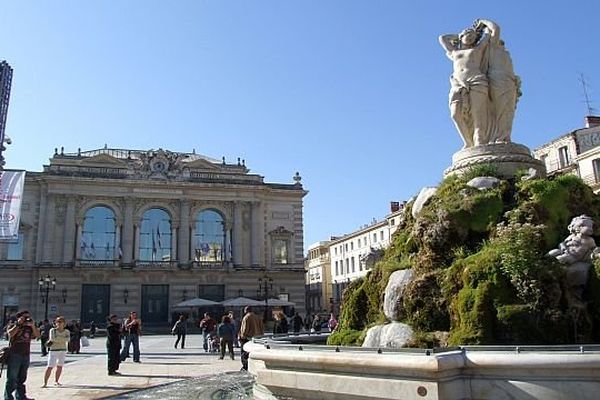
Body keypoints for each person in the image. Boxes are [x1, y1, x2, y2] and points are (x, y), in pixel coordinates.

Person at [439, 24, 491, 148]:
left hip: (476, 80)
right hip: (458, 84)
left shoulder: (478, 49)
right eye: (468, 34)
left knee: (477, 112)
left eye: (473, 36)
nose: (471, 36)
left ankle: (479, 139)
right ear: (461, 36)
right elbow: (442, 38)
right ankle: (467, 141)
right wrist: (460, 35)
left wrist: (481, 26)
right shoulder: (454, 51)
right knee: (455, 114)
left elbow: (490, 32)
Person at [4, 310, 40, 400]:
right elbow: (10, 334)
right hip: (15, 354)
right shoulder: (13, 325)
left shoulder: (29, 327)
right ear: (19, 317)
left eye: (28, 317)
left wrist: (33, 325)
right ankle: (8, 397)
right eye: (24, 317)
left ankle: (20, 396)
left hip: (25, 354)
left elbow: (37, 336)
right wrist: (18, 324)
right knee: (12, 377)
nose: (27, 319)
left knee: (22, 377)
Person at [43, 316, 70, 387]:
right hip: (53, 350)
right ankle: (45, 382)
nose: (59, 323)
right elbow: (52, 339)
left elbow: (68, 339)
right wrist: (62, 339)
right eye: (57, 322)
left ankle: (56, 381)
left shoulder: (67, 331)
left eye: (60, 322)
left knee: (60, 366)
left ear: (64, 323)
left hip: (63, 350)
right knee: (50, 366)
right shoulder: (53, 330)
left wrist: (58, 339)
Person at [238, 306, 264, 371]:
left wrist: (242, 336)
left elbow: (245, 328)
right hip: (257, 337)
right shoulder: (258, 317)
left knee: (244, 352)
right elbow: (262, 328)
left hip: (247, 337)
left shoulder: (246, 317)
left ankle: (245, 366)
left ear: (246, 310)